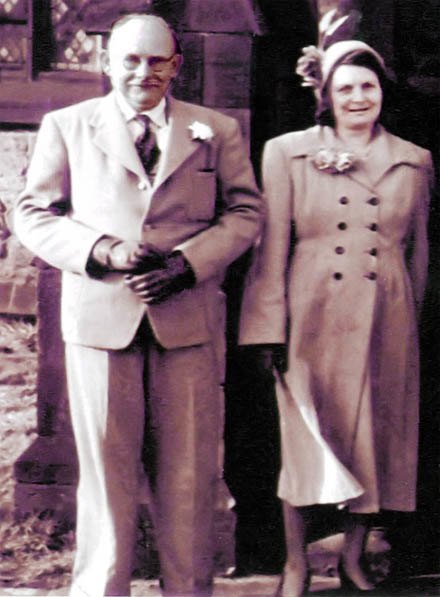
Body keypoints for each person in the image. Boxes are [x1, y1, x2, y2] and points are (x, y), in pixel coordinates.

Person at [14, 13, 262, 597]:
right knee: (105, 478)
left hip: (187, 323)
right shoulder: (68, 126)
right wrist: (101, 249)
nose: (142, 72)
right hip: (101, 321)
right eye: (130, 59)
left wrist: (188, 265)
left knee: (189, 476)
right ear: (107, 62)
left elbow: (246, 213)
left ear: (177, 65)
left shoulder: (215, 130)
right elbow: (31, 213)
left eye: (156, 60)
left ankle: (187, 589)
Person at [239, 38, 433, 596]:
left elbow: (417, 252)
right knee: (305, 438)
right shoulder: (288, 152)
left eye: (367, 86)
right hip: (312, 315)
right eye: (344, 87)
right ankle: (296, 563)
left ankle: (353, 558)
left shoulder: (414, 160)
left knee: (376, 438)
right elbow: (270, 247)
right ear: (325, 95)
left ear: (381, 92)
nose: (357, 97)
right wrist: (267, 328)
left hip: (386, 319)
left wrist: (408, 320)